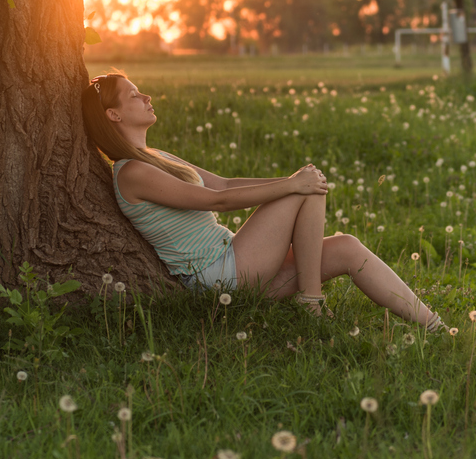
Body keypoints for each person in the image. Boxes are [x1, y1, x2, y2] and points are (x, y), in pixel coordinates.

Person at [81, 73, 449, 332]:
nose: (146, 97)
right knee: (300, 189)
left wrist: (291, 182)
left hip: (237, 263)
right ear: (113, 114)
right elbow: (220, 200)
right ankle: (311, 301)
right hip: (217, 277)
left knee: (347, 248)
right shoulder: (132, 172)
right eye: (134, 95)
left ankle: (435, 327)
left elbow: (225, 182)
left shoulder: (155, 156)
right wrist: (292, 185)